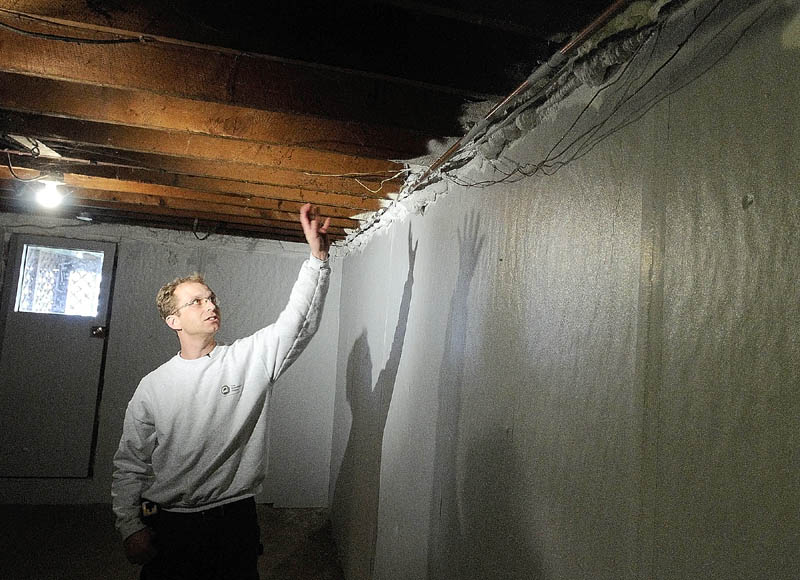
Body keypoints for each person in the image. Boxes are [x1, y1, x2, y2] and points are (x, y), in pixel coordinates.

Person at [111, 203, 331, 579]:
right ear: (173, 320)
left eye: (211, 297)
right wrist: (130, 526)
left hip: (233, 519)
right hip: (170, 522)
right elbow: (130, 462)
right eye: (196, 301)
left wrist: (318, 260)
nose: (210, 304)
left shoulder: (248, 359)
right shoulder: (153, 386)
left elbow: (298, 321)